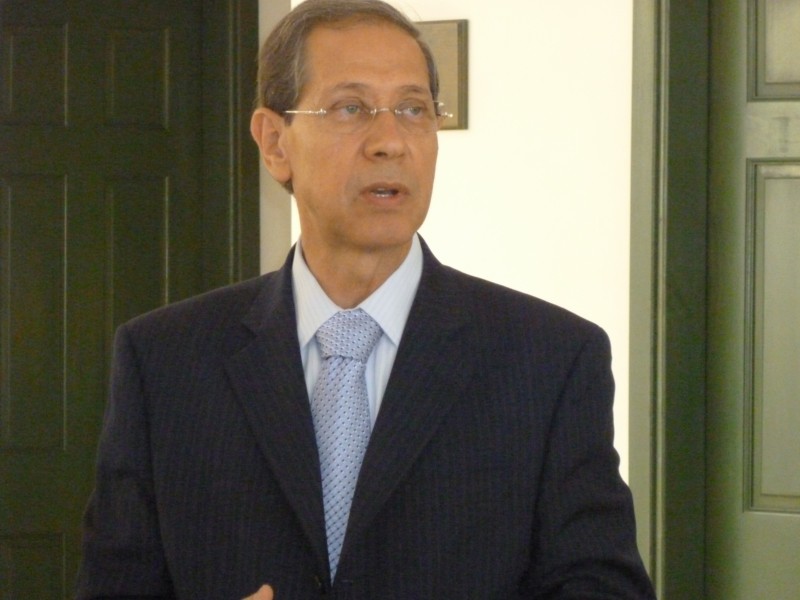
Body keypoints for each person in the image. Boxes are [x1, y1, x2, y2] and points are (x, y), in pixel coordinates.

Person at [76, 0, 656, 598]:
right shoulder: (164, 360)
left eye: (413, 109)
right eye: (350, 108)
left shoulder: (550, 359)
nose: (390, 142)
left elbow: (601, 585)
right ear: (274, 142)